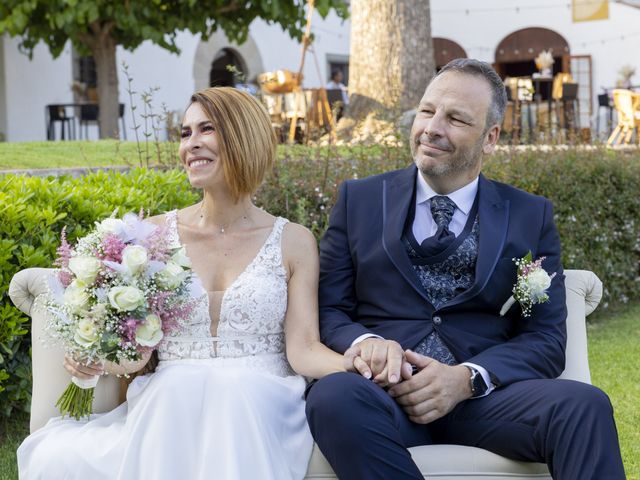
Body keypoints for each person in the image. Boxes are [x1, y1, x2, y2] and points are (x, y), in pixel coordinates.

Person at [305, 59, 625, 480]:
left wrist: (467, 380)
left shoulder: (529, 217)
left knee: (585, 405)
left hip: (482, 404)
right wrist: (368, 342)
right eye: (426, 111)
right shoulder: (359, 200)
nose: (432, 128)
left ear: (490, 137)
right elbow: (329, 310)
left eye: (455, 118)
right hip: (380, 395)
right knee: (333, 396)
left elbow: (544, 337)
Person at [18, 87, 360, 480]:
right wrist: (96, 360)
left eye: (206, 129)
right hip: (171, 398)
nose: (190, 145)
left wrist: (356, 366)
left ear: (242, 136)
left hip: (261, 397)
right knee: (176, 389)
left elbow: (303, 350)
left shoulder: (295, 241)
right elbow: (138, 355)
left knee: (231, 393)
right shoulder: (154, 236)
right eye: (184, 133)